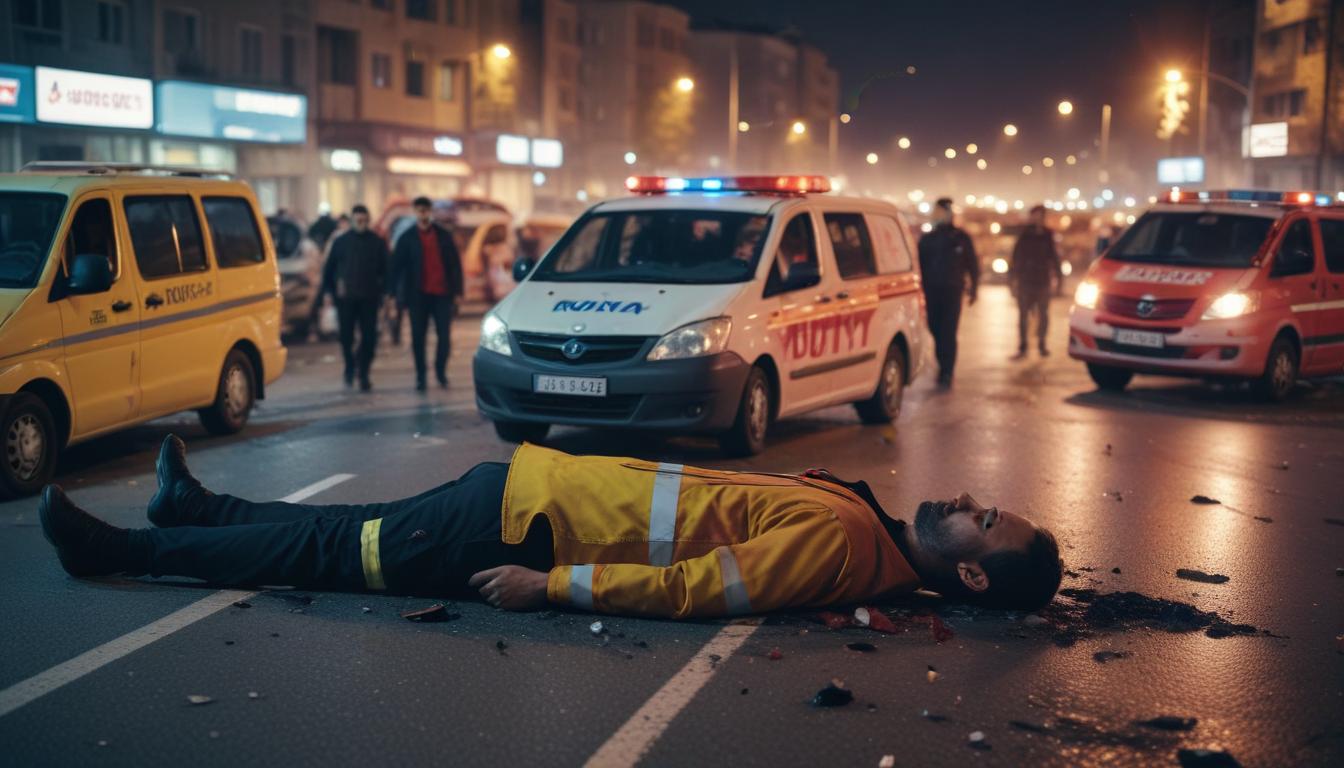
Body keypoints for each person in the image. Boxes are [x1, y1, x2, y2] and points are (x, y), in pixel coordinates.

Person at [38, 436, 1064, 617]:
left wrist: (553, 589)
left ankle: (126, 550)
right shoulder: (870, 525)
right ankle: (194, 509)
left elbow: (695, 591)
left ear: (971, 576)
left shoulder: (850, 552)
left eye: (982, 524)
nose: (966, 501)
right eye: (983, 502)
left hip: (529, 542)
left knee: (323, 548)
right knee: (342, 525)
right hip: (535, 496)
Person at [391, 197, 463, 391]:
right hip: (417, 296)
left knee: (444, 337)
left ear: (430, 211)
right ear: (415, 212)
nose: (423, 214)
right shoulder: (407, 238)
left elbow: (455, 265)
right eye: (420, 210)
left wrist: (457, 292)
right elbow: (396, 268)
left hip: (442, 294)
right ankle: (421, 375)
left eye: (426, 210)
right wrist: (393, 295)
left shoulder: (444, 236)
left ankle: (440, 372)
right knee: (418, 337)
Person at [314, 205, 389, 390]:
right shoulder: (341, 242)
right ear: (352, 220)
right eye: (358, 220)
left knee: (369, 338)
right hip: (345, 299)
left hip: (370, 299)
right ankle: (349, 366)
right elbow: (329, 270)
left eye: (364, 220)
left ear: (368, 220)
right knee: (346, 337)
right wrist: (329, 293)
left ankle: (363, 373)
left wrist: (385, 293)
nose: (361, 224)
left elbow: (387, 270)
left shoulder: (377, 242)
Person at [918, 198, 980, 387]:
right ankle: (942, 363)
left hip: (953, 290)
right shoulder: (928, 239)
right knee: (934, 327)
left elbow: (972, 264)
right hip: (932, 290)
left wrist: (974, 289)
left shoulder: (961, 237)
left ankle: (947, 371)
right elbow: (919, 264)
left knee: (948, 331)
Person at [1009, 205, 1064, 358]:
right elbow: (1015, 257)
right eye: (1036, 215)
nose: (1038, 218)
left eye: (1041, 215)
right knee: (1023, 316)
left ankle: (1042, 344)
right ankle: (1023, 346)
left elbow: (1054, 257)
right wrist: (1012, 280)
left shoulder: (1047, 234)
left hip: (1042, 281)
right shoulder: (1024, 234)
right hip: (1025, 281)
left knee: (1043, 314)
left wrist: (1059, 279)